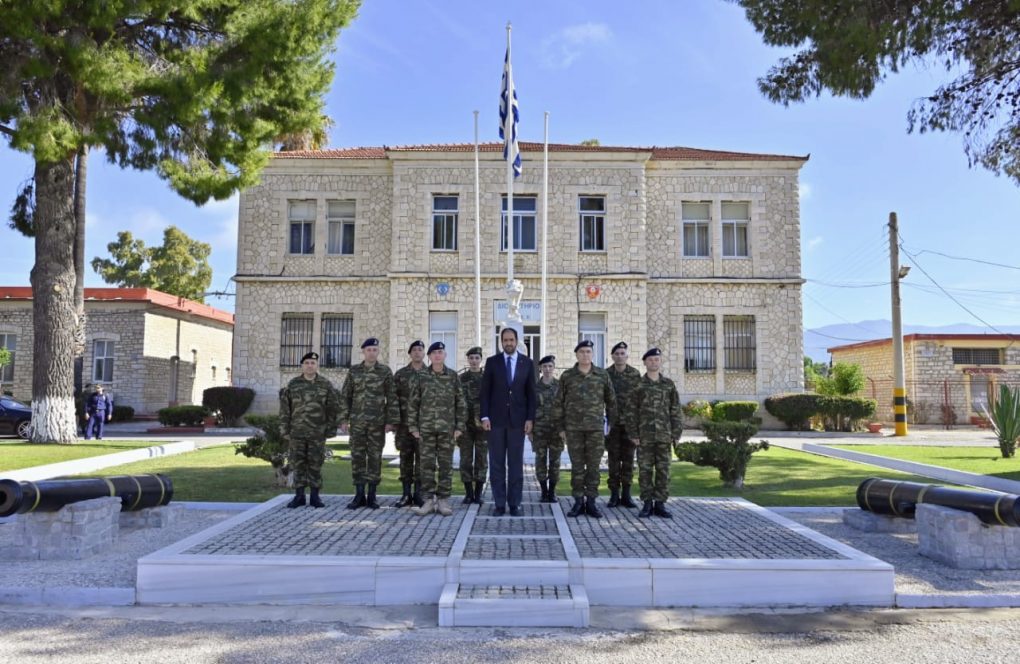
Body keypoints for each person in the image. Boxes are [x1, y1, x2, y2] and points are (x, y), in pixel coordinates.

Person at [554, 339, 617, 518]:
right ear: (576, 354)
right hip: (573, 429)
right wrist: (561, 427)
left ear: (592, 354)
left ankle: (591, 502)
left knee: (594, 467)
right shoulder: (567, 376)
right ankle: (578, 502)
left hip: (595, 429)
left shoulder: (602, 375)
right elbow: (558, 403)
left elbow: (611, 401)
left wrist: (611, 423)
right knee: (577, 467)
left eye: (588, 352)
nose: (585, 355)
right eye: (582, 352)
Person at [479, 327, 536, 517]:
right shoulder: (492, 362)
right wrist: (484, 416)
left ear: (517, 341)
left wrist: (530, 418)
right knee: (496, 464)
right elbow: (485, 393)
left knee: (515, 464)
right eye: (505, 340)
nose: (508, 343)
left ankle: (515, 504)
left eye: (511, 340)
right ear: (501, 342)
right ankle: (499, 504)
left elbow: (531, 394)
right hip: (495, 421)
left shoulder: (526, 363)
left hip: (518, 422)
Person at [338, 338, 400, 510]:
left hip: (377, 423)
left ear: (378, 352)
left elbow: (392, 398)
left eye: (375, 349)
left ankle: (372, 495)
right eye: (369, 350)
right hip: (357, 422)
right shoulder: (354, 371)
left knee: (374, 458)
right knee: (357, 457)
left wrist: (390, 421)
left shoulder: (385, 371)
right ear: (363, 352)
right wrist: (343, 419)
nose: (372, 352)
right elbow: (346, 397)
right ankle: (359, 495)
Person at [409, 341, 465, 517]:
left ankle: (443, 500)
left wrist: (460, 426)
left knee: (446, 465)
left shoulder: (453, 376)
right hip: (425, 428)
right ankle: (427, 500)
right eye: (434, 353)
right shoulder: (421, 376)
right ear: (430, 356)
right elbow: (413, 403)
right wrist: (413, 426)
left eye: (440, 352)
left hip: (447, 429)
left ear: (445, 355)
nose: (437, 355)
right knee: (426, 465)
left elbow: (461, 403)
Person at [627, 348, 683, 518]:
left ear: (660, 362)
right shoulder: (638, 385)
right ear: (645, 362)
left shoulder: (668, 384)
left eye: (656, 359)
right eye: (650, 360)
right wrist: (633, 434)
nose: (654, 362)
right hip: (644, 437)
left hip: (664, 435)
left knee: (663, 471)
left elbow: (675, 410)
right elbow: (631, 411)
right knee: (644, 471)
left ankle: (660, 504)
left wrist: (676, 433)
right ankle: (647, 504)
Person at [279, 351, 340, 508]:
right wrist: (284, 429)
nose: (310, 365)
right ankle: (299, 496)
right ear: (302, 366)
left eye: (313, 363)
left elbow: (333, 408)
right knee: (297, 464)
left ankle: (315, 497)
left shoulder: (325, 385)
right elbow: (285, 409)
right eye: (307, 363)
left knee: (315, 463)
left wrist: (331, 429)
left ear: (317, 365)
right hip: (296, 432)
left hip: (317, 433)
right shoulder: (293, 384)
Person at [605, 341, 642, 508]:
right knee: (613, 460)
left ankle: (626, 495)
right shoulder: (606, 375)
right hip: (612, 425)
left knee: (628, 460)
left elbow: (640, 401)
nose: (620, 356)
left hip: (629, 425)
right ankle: (614, 495)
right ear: (612, 356)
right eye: (617, 354)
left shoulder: (635, 375)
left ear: (627, 356)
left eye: (622, 353)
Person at [393, 340, 427, 507]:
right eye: (414, 350)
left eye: (420, 350)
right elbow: (393, 400)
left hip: (424, 426)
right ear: (410, 353)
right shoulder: (400, 374)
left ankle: (419, 494)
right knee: (405, 459)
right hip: (404, 425)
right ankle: (406, 494)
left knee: (422, 460)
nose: (417, 352)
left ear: (424, 353)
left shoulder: (430, 374)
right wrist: (393, 421)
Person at [458, 346, 487, 505]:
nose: (474, 361)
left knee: (482, 459)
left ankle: (478, 493)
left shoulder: (486, 378)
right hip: (465, 425)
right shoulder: (461, 378)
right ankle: (468, 493)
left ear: (480, 360)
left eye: (477, 358)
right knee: (466, 459)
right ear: (468, 360)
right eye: (471, 358)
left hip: (482, 425)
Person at [532, 355, 562, 503]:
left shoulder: (560, 386)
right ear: (540, 369)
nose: (547, 369)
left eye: (550, 366)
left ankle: (552, 492)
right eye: (545, 367)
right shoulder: (535, 388)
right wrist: (530, 431)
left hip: (557, 431)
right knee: (540, 461)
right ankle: (544, 491)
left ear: (554, 368)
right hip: (539, 431)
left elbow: (566, 408)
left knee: (555, 461)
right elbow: (529, 409)